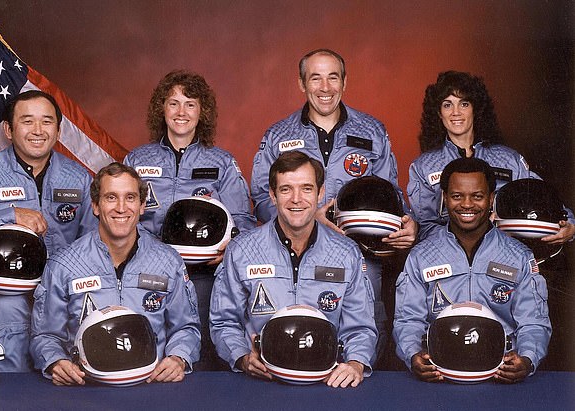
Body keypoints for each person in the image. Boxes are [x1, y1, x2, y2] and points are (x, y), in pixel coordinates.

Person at [250, 49, 417, 361]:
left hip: (360, 254)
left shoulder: (373, 131)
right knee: (298, 337)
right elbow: (261, 198)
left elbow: (391, 194)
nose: (325, 87)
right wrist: (309, 219)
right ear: (302, 84)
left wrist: (406, 224)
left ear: (345, 82)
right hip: (293, 252)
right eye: (315, 78)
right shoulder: (277, 135)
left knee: (362, 338)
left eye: (333, 77)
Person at [0, 90, 97, 372]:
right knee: (7, 313)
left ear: (58, 130)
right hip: (7, 294)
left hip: (62, 293)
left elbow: (94, 243)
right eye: (27, 121)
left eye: (47, 121)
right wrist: (8, 215)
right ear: (9, 130)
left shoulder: (78, 178)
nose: (38, 130)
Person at [211, 151, 377, 388]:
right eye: (286, 189)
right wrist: (242, 357)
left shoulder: (346, 253)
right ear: (272, 195)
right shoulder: (242, 251)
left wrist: (356, 363)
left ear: (320, 193)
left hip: (328, 382)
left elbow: (360, 327)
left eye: (307, 189)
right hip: (262, 382)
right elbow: (224, 321)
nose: (296, 199)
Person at [124, 70, 255, 370]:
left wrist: (228, 250)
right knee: (150, 351)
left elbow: (243, 222)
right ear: (162, 108)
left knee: (207, 350)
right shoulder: (136, 160)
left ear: (202, 112)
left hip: (204, 277)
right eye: (173, 103)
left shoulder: (221, 162)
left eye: (190, 104)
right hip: (149, 273)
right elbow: (119, 216)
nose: (181, 112)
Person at [30, 162, 200, 385]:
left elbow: (186, 327)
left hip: (152, 385)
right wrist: (55, 361)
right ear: (95, 206)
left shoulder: (168, 262)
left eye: (130, 198)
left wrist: (179, 357)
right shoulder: (64, 264)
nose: (121, 208)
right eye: (111, 197)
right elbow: (45, 335)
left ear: (141, 206)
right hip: (87, 388)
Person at [393, 157, 551, 383]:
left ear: (491, 199)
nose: (467, 204)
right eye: (457, 196)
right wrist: (412, 355)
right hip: (440, 372)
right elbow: (408, 319)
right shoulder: (421, 256)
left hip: (500, 372)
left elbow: (534, 322)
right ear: (445, 198)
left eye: (477, 196)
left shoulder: (519, 256)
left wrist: (527, 358)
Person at [408, 70, 575, 241]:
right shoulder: (424, 166)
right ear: (438, 113)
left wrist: (569, 225)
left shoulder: (508, 160)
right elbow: (424, 228)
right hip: (450, 259)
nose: (455, 112)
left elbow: (542, 198)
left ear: (475, 109)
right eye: (447, 104)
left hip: (504, 255)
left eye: (464, 104)